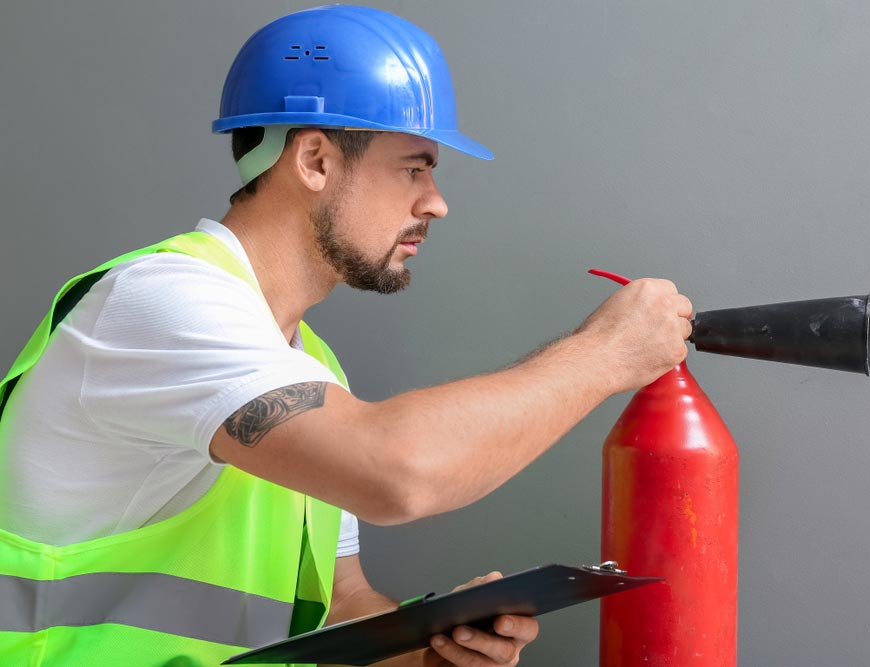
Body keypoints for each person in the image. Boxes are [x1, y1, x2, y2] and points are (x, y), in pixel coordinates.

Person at [0, 5, 692, 667]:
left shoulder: (303, 364)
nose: (436, 201)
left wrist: (429, 646)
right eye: (414, 166)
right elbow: (396, 471)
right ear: (315, 160)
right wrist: (606, 353)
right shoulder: (163, 303)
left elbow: (340, 606)